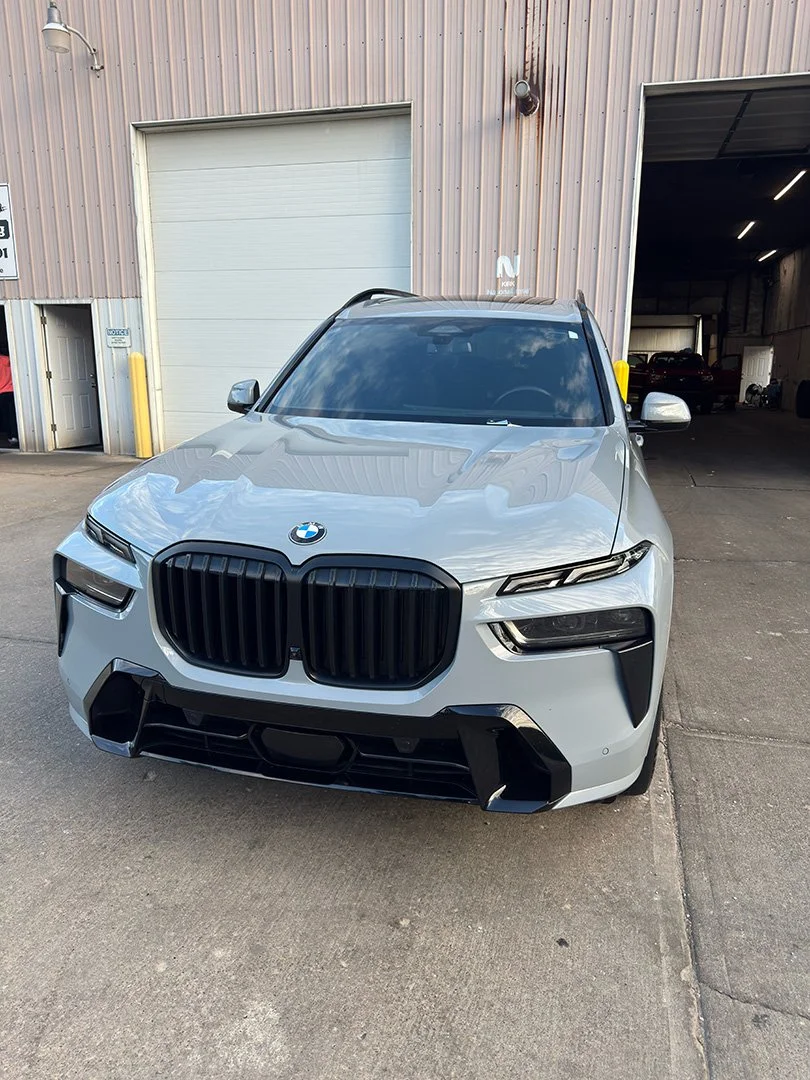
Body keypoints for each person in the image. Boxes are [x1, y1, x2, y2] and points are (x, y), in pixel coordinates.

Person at [0, 347, 19, 446]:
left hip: (1, 392)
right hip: (12, 391)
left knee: (5, 416)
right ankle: (15, 435)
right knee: (13, 415)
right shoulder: (10, 361)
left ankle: (10, 436)